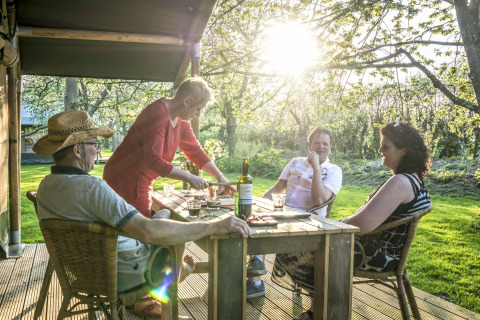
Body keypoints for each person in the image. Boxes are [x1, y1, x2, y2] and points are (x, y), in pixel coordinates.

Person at [33, 110, 251, 320]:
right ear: (78, 151)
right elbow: (147, 232)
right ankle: (173, 277)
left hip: (84, 273)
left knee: (163, 213)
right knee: (167, 224)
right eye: (94, 144)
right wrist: (214, 226)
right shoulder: (92, 188)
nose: (97, 150)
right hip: (126, 274)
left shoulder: (45, 188)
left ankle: (174, 274)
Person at [272, 123, 431, 320]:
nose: (380, 150)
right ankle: (318, 310)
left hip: (379, 255)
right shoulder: (414, 180)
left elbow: (364, 224)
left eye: (386, 146)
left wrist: (335, 224)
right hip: (384, 250)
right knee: (309, 243)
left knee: (297, 246)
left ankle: (320, 311)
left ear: (404, 151)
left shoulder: (400, 182)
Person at [103, 77, 233, 218]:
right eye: (198, 109)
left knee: (143, 229)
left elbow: (196, 152)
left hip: (143, 181)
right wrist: (189, 177)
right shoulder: (157, 114)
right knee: (137, 231)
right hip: (124, 179)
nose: (198, 114)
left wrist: (220, 177)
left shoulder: (181, 122)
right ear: (187, 101)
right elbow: (152, 160)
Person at [246, 127, 343, 299]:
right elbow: (278, 188)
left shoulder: (334, 171)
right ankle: (256, 277)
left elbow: (319, 200)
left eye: (325, 144)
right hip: (283, 212)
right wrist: (256, 204)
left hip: (309, 219)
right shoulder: (294, 162)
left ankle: (254, 277)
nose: (321, 147)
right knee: (252, 221)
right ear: (310, 146)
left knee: (266, 226)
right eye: (316, 143)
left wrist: (316, 168)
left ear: (331, 147)